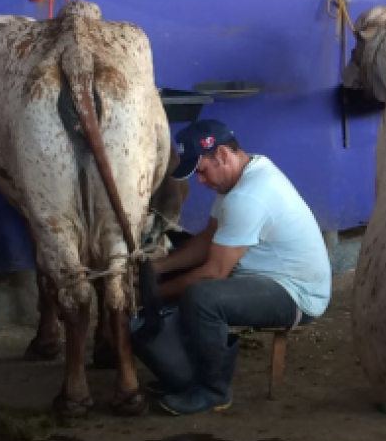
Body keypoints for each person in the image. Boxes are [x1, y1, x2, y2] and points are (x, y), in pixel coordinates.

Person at [137, 118, 332, 416]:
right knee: (185, 277)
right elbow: (208, 239)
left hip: (295, 292)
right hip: (260, 276)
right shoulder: (244, 175)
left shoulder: (248, 195)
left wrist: (154, 294)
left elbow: (214, 272)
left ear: (223, 156)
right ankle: (184, 375)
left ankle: (213, 391)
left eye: (201, 171)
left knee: (203, 297)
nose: (200, 181)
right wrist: (159, 268)